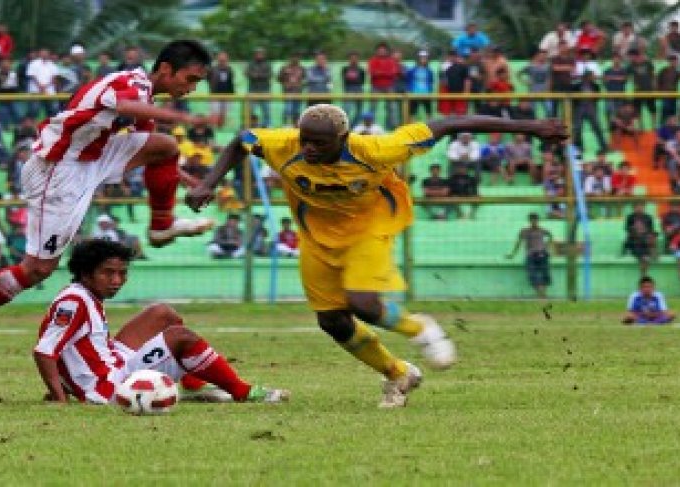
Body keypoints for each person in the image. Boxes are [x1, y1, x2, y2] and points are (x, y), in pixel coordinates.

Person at [186, 104, 566, 408]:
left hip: (369, 229)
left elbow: (451, 122)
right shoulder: (282, 145)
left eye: (318, 143)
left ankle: (422, 329)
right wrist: (208, 182)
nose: (308, 149)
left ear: (343, 138)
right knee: (332, 322)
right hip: (317, 237)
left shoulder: (380, 149)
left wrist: (532, 128)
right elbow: (240, 140)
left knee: (363, 305)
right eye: (305, 141)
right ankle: (398, 373)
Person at [0, 40, 216, 309]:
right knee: (38, 269)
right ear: (166, 69)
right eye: (189, 79)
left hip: (91, 159)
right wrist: (187, 119)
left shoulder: (145, 98)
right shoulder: (132, 83)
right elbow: (123, 106)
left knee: (165, 146)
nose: (191, 88)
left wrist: (187, 179)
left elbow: (150, 150)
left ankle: (161, 226)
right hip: (59, 168)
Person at [33, 239, 288, 404]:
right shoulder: (74, 302)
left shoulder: (84, 294)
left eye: (122, 273)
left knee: (162, 314)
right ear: (86, 274)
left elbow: (72, 351)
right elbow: (45, 351)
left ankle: (193, 385)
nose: (117, 281)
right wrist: (59, 398)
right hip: (109, 388)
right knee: (180, 336)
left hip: (114, 363)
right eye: (108, 273)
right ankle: (242, 392)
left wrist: (66, 385)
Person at [506, 213, 553, 298]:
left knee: (545, 273)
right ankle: (540, 293)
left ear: (538, 220)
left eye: (535, 220)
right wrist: (512, 254)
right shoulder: (525, 231)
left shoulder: (542, 230)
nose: (534, 222)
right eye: (532, 220)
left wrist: (548, 248)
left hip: (542, 254)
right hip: (531, 255)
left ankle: (543, 293)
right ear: (529, 221)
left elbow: (550, 237)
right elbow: (518, 242)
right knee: (531, 273)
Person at [245, 48, 272, 128]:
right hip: (252, 91)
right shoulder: (251, 64)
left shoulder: (267, 64)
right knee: (250, 110)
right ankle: (250, 126)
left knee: (266, 111)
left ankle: (267, 126)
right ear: (255, 55)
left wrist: (257, 75)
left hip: (265, 91)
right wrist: (257, 75)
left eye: (261, 54)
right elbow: (247, 73)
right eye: (258, 54)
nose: (259, 55)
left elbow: (269, 74)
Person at [278, 53, 305, 126]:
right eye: (293, 57)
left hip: (298, 93)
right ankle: (285, 125)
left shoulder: (301, 68)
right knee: (287, 110)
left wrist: (300, 84)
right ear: (290, 58)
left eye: (297, 57)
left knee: (296, 111)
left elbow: (305, 79)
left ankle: (296, 126)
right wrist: (285, 83)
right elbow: (279, 78)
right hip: (288, 92)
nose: (295, 59)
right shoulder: (284, 68)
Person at [209, 51, 235, 128]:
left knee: (224, 114)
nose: (223, 61)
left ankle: (221, 128)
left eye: (224, 59)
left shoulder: (229, 69)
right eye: (221, 59)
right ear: (218, 59)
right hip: (215, 95)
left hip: (227, 95)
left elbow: (231, 82)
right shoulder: (213, 69)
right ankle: (213, 129)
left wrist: (231, 94)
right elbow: (208, 79)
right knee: (215, 113)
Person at [341, 52, 366, 127]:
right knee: (347, 109)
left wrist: (352, 78)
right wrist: (353, 78)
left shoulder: (361, 70)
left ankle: (354, 126)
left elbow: (362, 81)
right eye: (352, 58)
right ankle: (345, 126)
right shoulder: (345, 69)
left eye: (355, 58)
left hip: (359, 90)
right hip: (348, 90)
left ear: (358, 59)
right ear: (349, 59)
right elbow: (345, 80)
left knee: (359, 110)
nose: (354, 60)